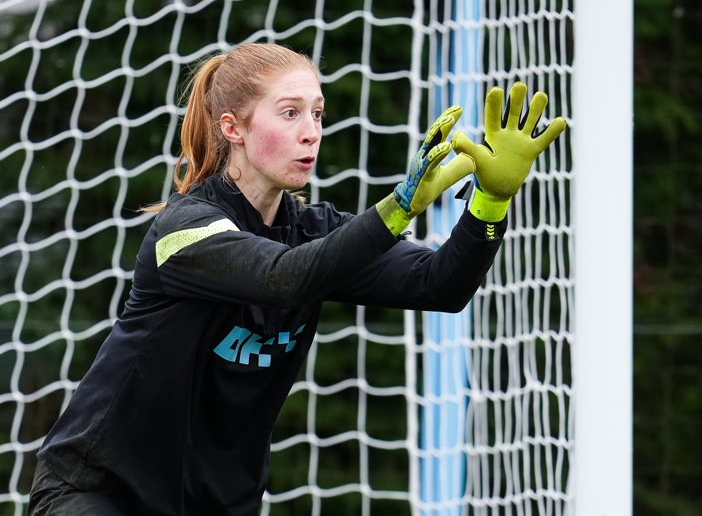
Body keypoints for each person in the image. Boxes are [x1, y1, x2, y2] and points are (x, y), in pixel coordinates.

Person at [26, 42, 565, 516]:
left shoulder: (312, 233)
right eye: (289, 113)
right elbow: (285, 279)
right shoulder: (182, 229)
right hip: (98, 494)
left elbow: (439, 285)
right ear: (232, 128)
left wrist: (490, 204)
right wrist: (400, 206)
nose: (311, 132)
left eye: (318, 114)